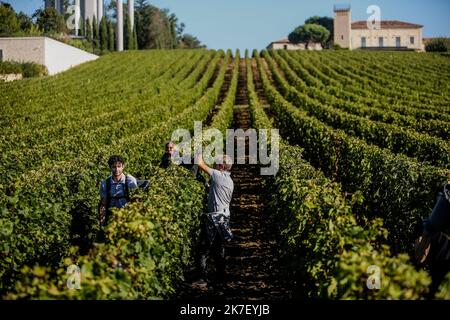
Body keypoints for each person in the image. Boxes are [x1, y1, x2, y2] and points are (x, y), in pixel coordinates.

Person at [194, 153, 234, 287]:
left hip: (214, 218)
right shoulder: (228, 180)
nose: (214, 166)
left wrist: (199, 151)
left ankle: (201, 278)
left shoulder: (218, 176)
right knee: (218, 247)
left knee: (203, 248)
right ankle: (221, 277)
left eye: (216, 164)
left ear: (221, 166)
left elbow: (200, 164)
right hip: (223, 218)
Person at [99, 155, 138, 226]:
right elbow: (103, 204)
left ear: (123, 166)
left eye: (119, 166)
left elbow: (136, 201)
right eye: (114, 167)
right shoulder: (105, 183)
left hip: (127, 216)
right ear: (110, 168)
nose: (116, 169)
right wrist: (102, 220)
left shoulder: (130, 181)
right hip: (111, 217)